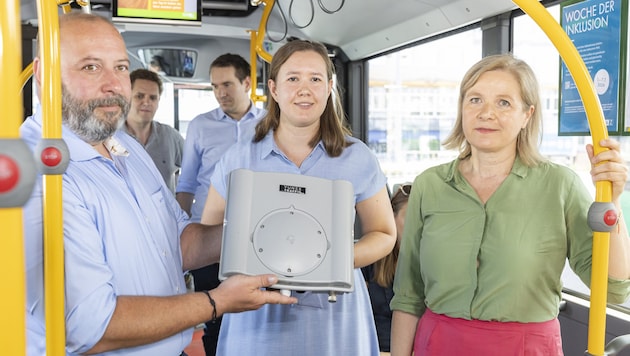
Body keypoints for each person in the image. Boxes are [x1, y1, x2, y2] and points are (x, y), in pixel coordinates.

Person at [22, 12, 296, 356]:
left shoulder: (127, 150)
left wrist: (261, 228)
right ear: (43, 75)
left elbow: (178, 243)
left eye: (121, 67)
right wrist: (216, 302)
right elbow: (92, 328)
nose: (113, 84)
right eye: (91, 67)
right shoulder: (35, 171)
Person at [390, 53, 630, 355]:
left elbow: (614, 288)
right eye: (475, 99)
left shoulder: (560, 185)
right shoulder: (429, 185)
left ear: (527, 115)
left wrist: (613, 200)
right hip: (438, 343)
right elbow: (408, 295)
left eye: (504, 102)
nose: (486, 113)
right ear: (462, 107)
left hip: (526, 348)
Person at [200, 39, 397, 356]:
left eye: (315, 79)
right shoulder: (239, 158)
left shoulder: (357, 157)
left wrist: (330, 261)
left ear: (329, 87)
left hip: (337, 312)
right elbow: (208, 236)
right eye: (293, 79)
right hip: (258, 308)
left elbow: (384, 234)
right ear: (274, 89)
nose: (304, 89)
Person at [175, 52, 266, 355]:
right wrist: (184, 236)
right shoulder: (200, 126)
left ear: (247, 83)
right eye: (214, 87)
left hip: (257, 235)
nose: (220, 93)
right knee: (212, 314)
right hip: (209, 233)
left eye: (227, 84)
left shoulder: (270, 122)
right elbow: (187, 183)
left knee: (254, 313)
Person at [362, 183, 410, 355]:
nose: (418, 227)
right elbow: (360, 314)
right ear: (392, 217)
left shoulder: (433, 264)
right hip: (373, 347)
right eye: (410, 218)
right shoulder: (370, 257)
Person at [119, 68, 184, 193]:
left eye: (153, 98)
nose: (147, 102)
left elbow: (195, 172)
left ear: (158, 102)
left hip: (164, 212)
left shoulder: (170, 137)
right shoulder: (109, 138)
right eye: (140, 96)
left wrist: (182, 205)